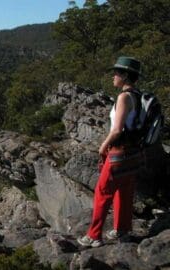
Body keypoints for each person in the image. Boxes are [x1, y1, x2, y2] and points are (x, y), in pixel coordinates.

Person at [77, 56, 143, 248]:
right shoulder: (138, 95)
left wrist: (103, 145)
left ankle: (94, 236)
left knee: (103, 191)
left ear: (125, 75)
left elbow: (117, 129)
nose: (113, 76)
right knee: (124, 191)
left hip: (119, 152)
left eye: (117, 73)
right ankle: (122, 231)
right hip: (133, 153)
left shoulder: (124, 97)